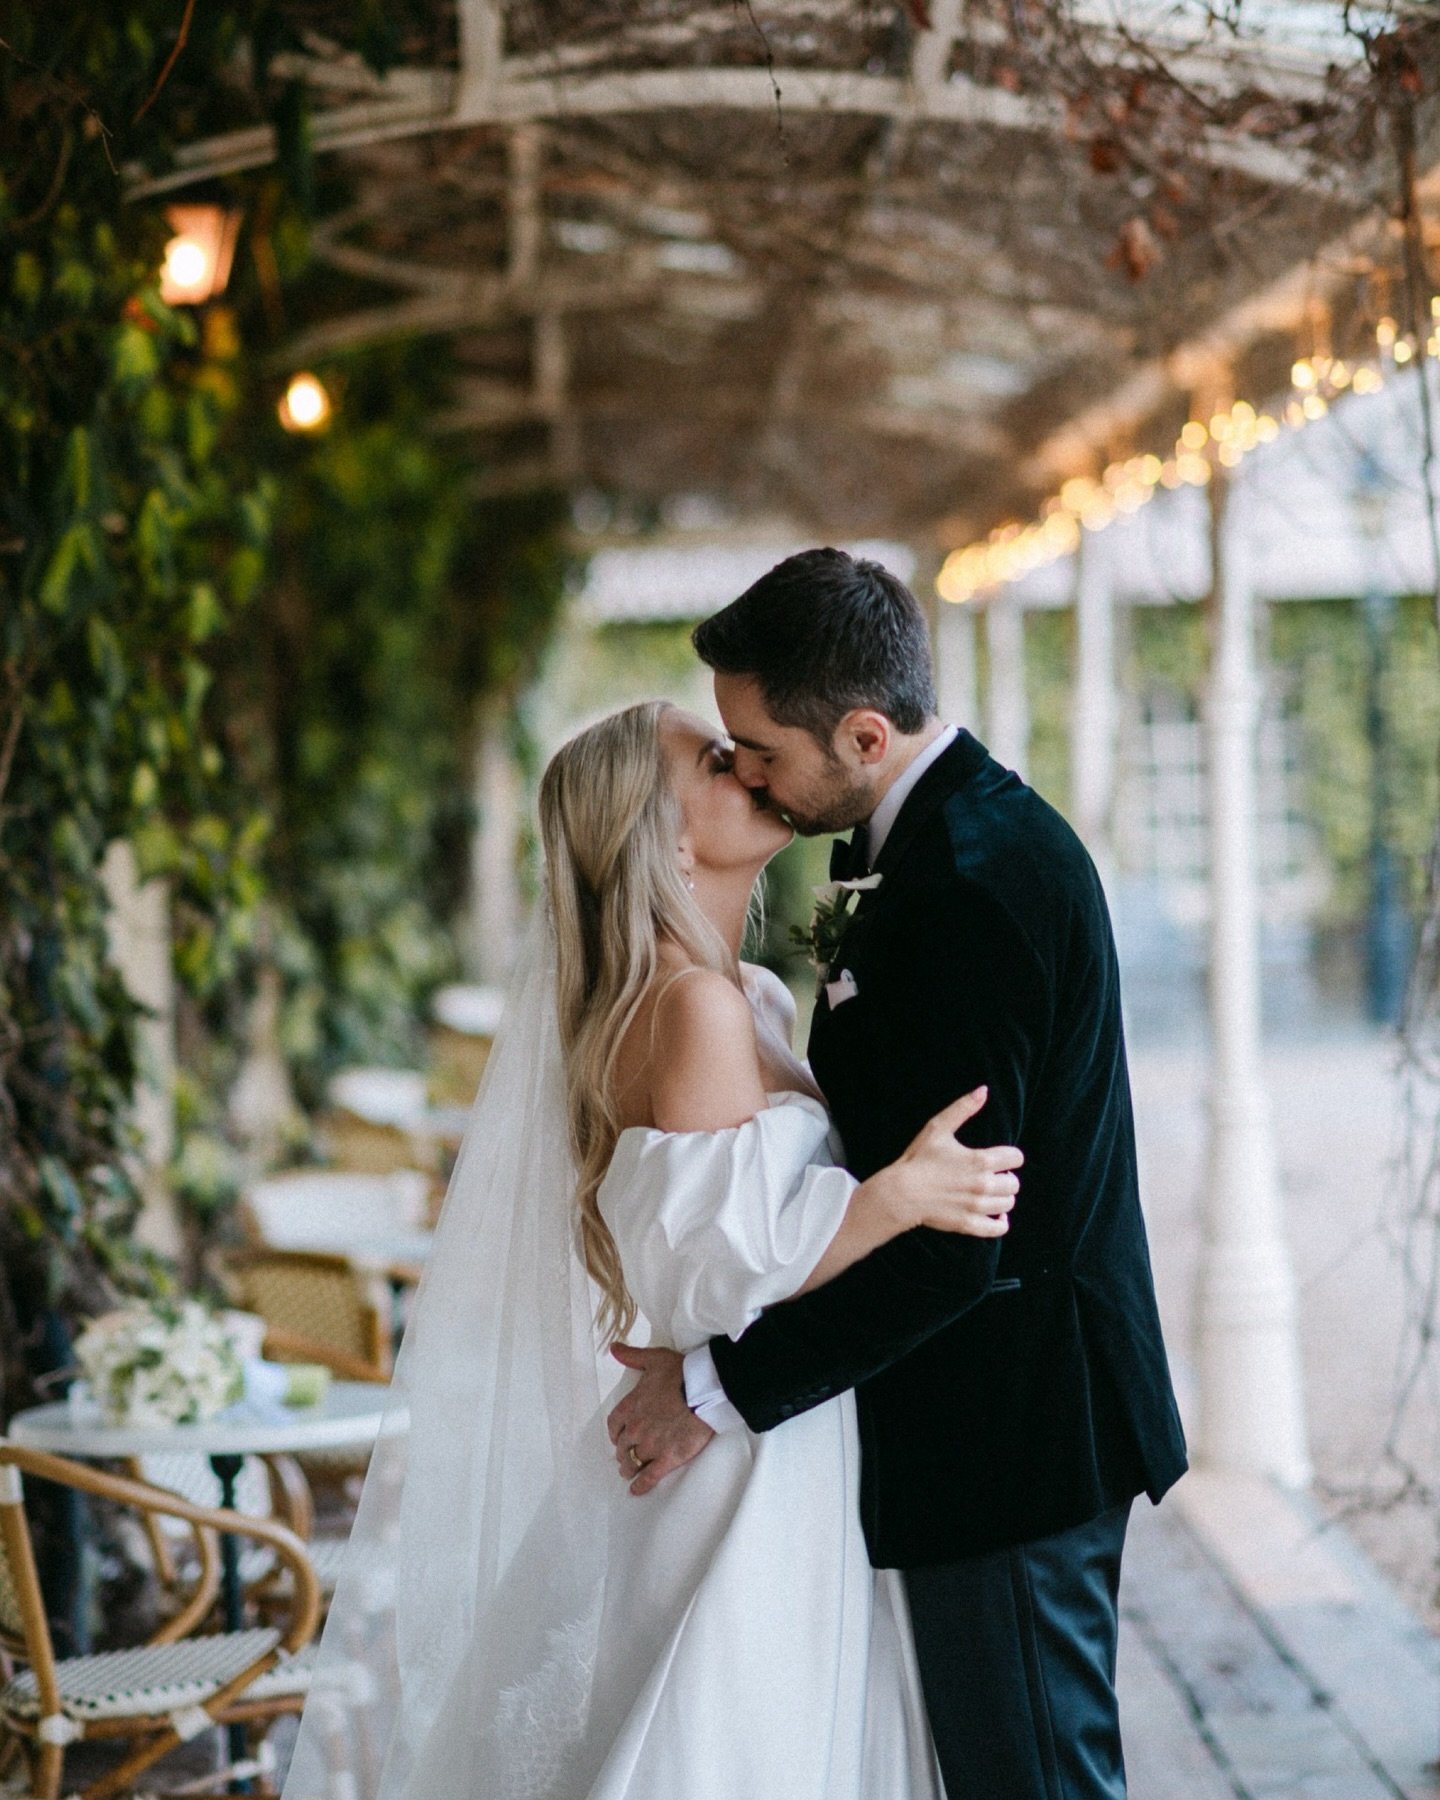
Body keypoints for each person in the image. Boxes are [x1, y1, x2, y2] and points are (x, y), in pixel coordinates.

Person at [281, 697, 1023, 1800]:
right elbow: (731, 1269)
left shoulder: (749, 997)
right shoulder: (689, 1012)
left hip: (774, 1431)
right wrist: (897, 1197)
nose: (755, 771)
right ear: (665, 839)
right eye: (720, 763)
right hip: (744, 1460)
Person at [608, 550, 1189, 1799]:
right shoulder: (925, 846)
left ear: (864, 735)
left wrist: (714, 1387)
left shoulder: (970, 886)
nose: (747, 770)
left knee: (1035, 1780)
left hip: (1015, 1426)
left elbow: (957, 1237)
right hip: (970, 1424)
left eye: (759, 747)